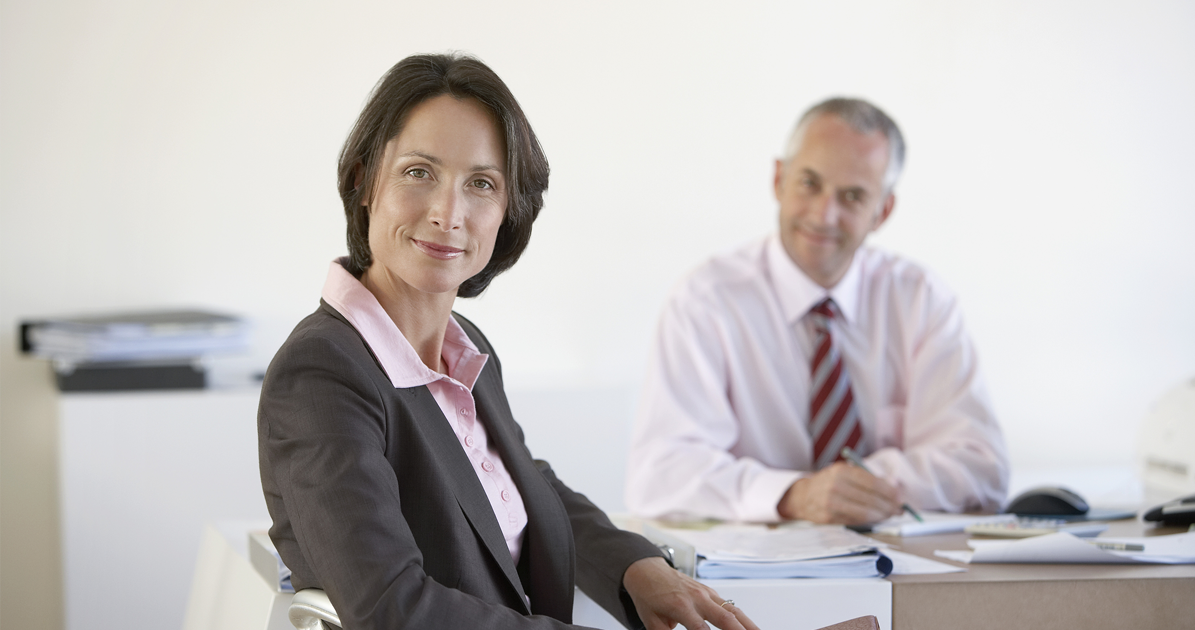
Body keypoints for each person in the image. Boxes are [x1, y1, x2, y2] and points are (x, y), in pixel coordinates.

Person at [258, 54, 760, 630]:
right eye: (419, 172)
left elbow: (514, 478)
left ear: (507, 210)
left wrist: (636, 565)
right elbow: (390, 608)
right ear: (364, 180)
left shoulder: (464, 346)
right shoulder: (322, 370)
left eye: (481, 184)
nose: (449, 214)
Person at [625, 98, 1009, 526]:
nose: (825, 214)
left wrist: (856, 486)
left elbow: (982, 468)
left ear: (882, 211)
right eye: (809, 183)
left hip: (900, 568)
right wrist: (791, 495)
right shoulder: (706, 301)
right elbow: (659, 475)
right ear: (778, 180)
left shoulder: (921, 299)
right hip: (749, 576)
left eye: (852, 196)